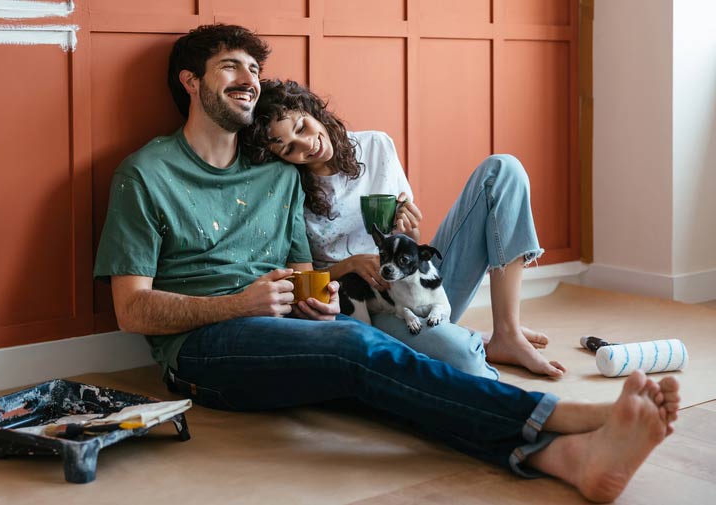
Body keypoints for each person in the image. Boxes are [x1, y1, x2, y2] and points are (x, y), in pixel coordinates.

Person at [93, 23, 680, 503]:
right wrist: (239, 303)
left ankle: (563, 458)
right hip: (204, 349)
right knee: (364, 351)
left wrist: (314, 295)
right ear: (190, 82)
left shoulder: (276, 172)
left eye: (254, 68)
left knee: (384, 376)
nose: (249, 79)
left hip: (292, 326)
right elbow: (130, 309)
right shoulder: (145, 175)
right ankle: (564, 417)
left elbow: (303, 270)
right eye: (231, 67)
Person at [240, 79, 564, 380]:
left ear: (310, 110)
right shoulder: (287, 187)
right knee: (465, 361)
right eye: (288, 148)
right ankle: (465, 340)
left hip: (419, 281)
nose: (306, 145)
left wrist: (409, 228)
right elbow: (307, 284)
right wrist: (352, 264)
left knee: (503, 169)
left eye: (302, 127)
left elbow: (411, 245)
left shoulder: (376, 146)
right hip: (368, 304)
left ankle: (508, 331)